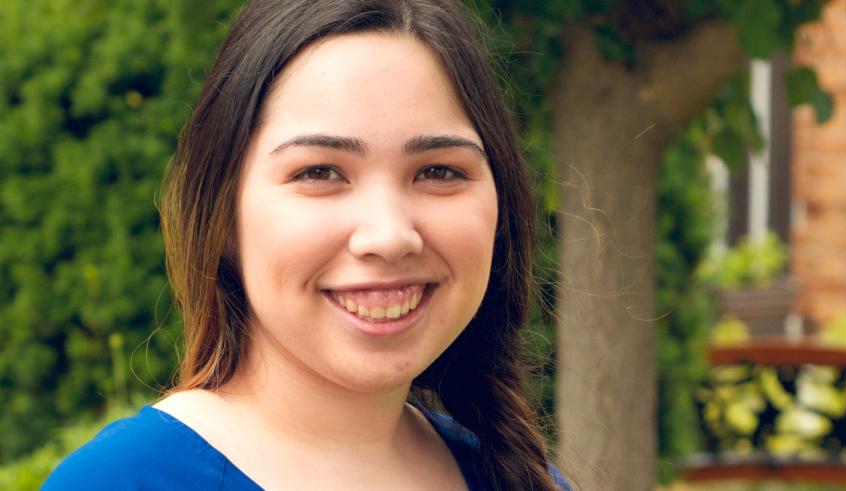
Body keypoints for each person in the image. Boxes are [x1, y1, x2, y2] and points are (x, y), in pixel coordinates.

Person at [43, 1, 572, 490]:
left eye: (438, 170)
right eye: (320, 172)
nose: (388, 235)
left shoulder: (523, 477)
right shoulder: (120, 481)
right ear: (223, 214)